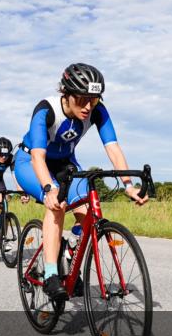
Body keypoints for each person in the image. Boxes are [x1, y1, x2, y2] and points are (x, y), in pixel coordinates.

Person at [13, 63, 147, 300]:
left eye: (93, 100)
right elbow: (38, 157)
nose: (88, 106)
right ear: (66, 93)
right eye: (82, 99)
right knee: (57, 204)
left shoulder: (97, 110)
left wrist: (128, 185)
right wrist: (49, 189)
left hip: (65, 163)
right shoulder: (46, 109)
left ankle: (70, 255)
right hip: (30, 162)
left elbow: (113, 147)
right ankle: (51, 275)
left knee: (89, 208)